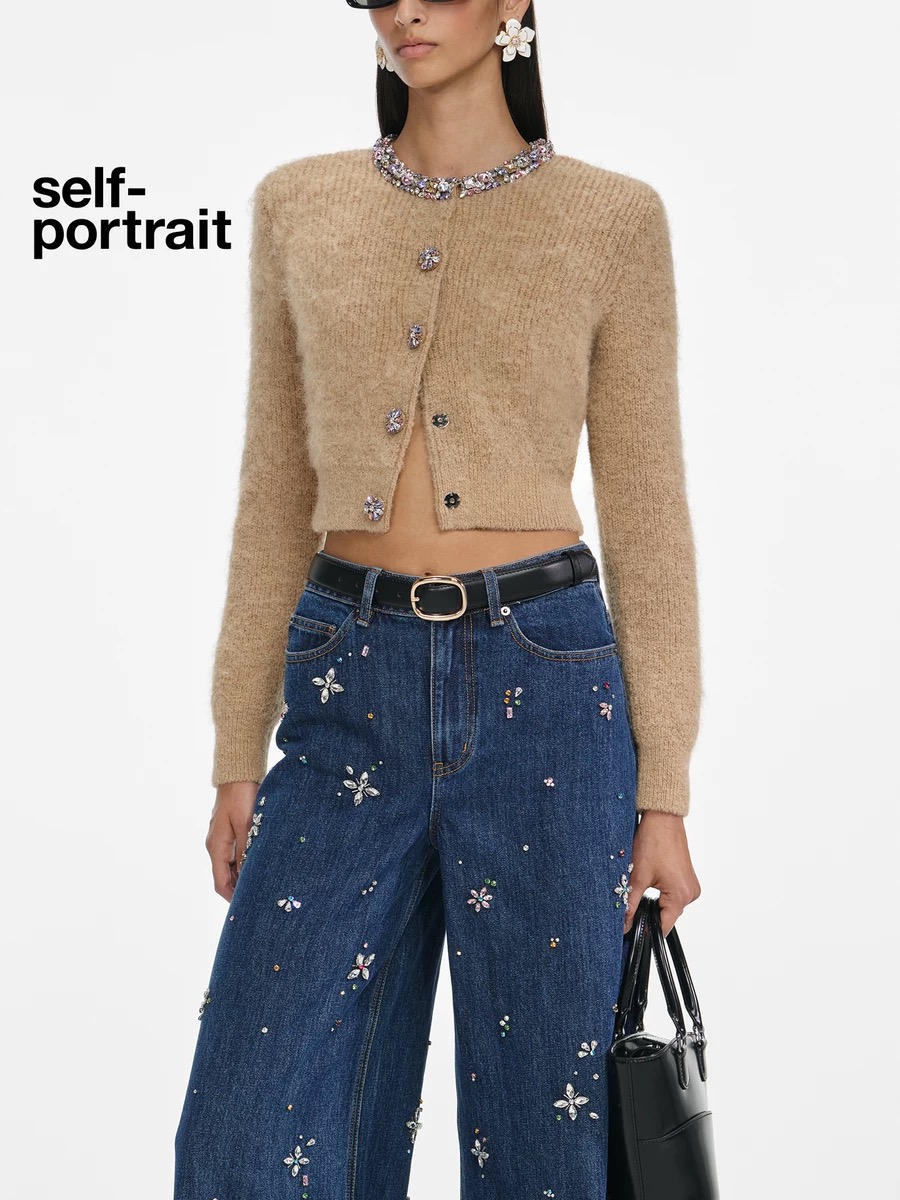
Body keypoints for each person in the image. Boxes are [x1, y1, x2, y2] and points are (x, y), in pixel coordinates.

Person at [173, 2, 704, 1196]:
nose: (405, 8)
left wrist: (665, 789)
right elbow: (274, 493)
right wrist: (234, 747)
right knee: (246, 1139)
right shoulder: (299, 204)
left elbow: (649, 516)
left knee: (549, 1143)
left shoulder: (612, 219)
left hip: (549, 688)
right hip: (344, 679)